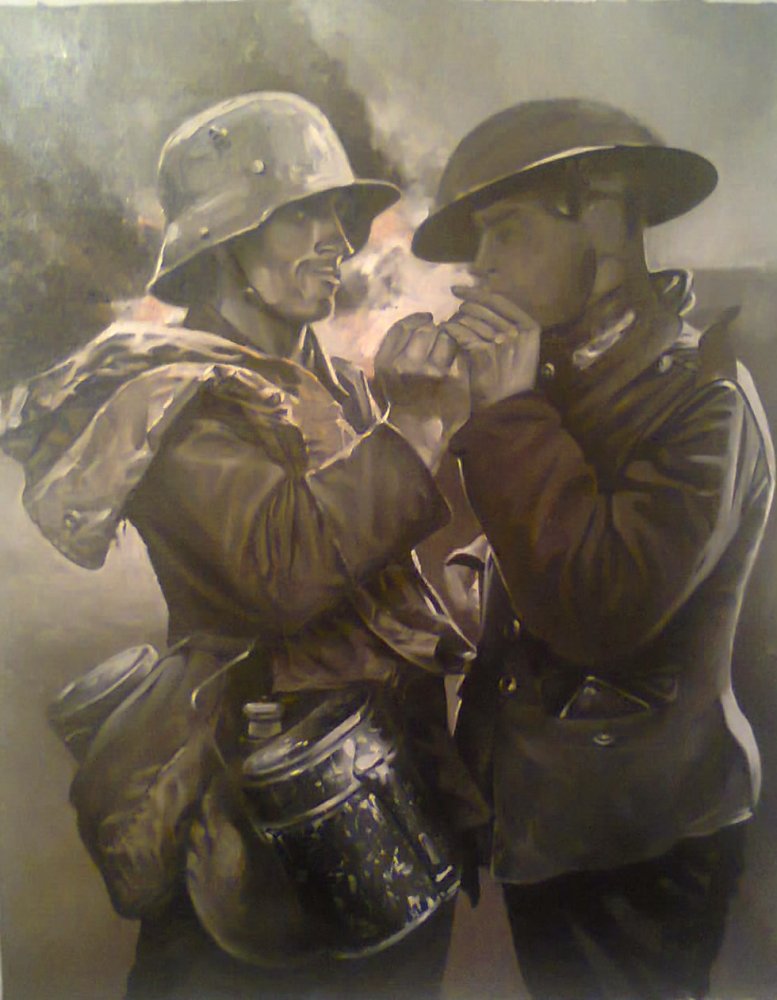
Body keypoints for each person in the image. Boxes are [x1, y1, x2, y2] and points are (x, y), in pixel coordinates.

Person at [0, 92, 487, 999]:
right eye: (302, 213)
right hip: (255, 844)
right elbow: (283, 572)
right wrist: (416, 428)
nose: (338, 240)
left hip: (390, 816)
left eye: (340, 214)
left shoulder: (339, 385)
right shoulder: (170, 399)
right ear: (223, 240)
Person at [375, 99, 774, 999]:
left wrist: (509, 413)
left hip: (640, 841)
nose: (478, 267)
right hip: (549, 822)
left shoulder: (702, 398)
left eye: (506, 231)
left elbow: (598, 608)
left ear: (603, 218)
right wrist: (419, 415)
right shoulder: (549, 378)